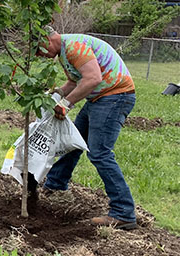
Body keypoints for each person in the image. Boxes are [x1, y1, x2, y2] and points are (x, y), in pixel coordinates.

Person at [38, 27, 138, 230]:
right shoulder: (64, 52)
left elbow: (93, 79)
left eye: (38, 49)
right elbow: (74, 82)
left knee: (99, 152)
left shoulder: (74, 47)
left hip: (115, 96)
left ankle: (123, 212)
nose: (38, 55)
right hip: (99, 98)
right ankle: (55, 184)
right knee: (73, 142)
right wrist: (55, 95)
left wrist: (66, 104)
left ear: (46, 39)